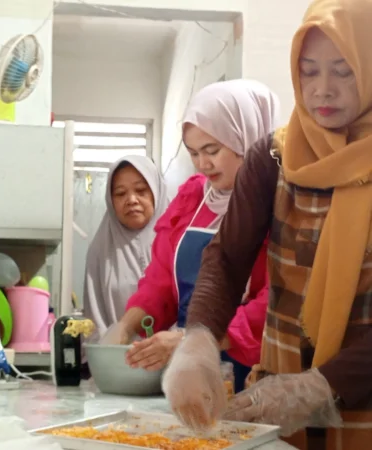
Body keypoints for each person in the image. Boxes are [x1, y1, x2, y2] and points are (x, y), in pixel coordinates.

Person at [163, 0, 372, 448]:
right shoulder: (274, 158)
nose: (322, 90)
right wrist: (198, 341)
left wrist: (319, 387)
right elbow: (227, 257)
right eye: (309, 70)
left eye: (344, 70)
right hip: (280, 408)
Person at [102, 79, 280, 393]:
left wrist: (194, 340)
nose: (202, 164)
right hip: (189, 367)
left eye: (212, 150)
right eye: (194, 153)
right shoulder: (193, 200)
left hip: (253, 367)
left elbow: (276, 300)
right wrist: (126, 325)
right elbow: (161, 281)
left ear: (247, 139)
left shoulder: (280, 205)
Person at [83, 155, 169, 337]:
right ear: (110, 200)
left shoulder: (178, 243)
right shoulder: (100, 251)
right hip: (117, 360)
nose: (131, 199)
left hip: (176, 359)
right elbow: (94, 321)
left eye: (140, 190)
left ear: (156, 193)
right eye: (121, 193)